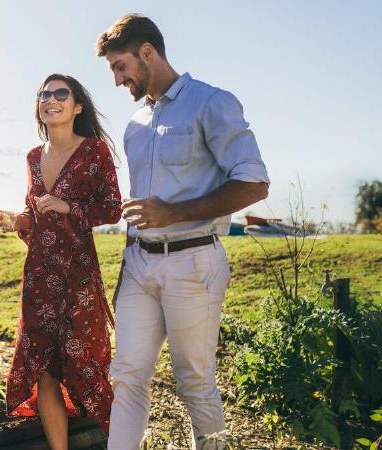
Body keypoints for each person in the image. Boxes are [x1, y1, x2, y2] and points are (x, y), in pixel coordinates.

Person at [95, 14, 270, 450]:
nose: (117, 80)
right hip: (138, 264)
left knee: (194, 379)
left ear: (147, 52)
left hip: (194, 262)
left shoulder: (211, 102)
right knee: (127, 374)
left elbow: (254, 183)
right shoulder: (135, 126)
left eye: (121, 66)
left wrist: (173, 213)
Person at [0, 74, 122, 449]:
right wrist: (17, 221)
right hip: (38, 279)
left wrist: (70, 208)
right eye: (43, 94)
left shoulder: (94, 152)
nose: (50, 99)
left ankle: (122, 443)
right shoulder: (33, 158)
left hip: (79, 278)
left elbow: (113, 209)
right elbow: (33, 214)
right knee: (44, 372)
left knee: (87, 368)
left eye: (60, 93)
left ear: (77, 106)